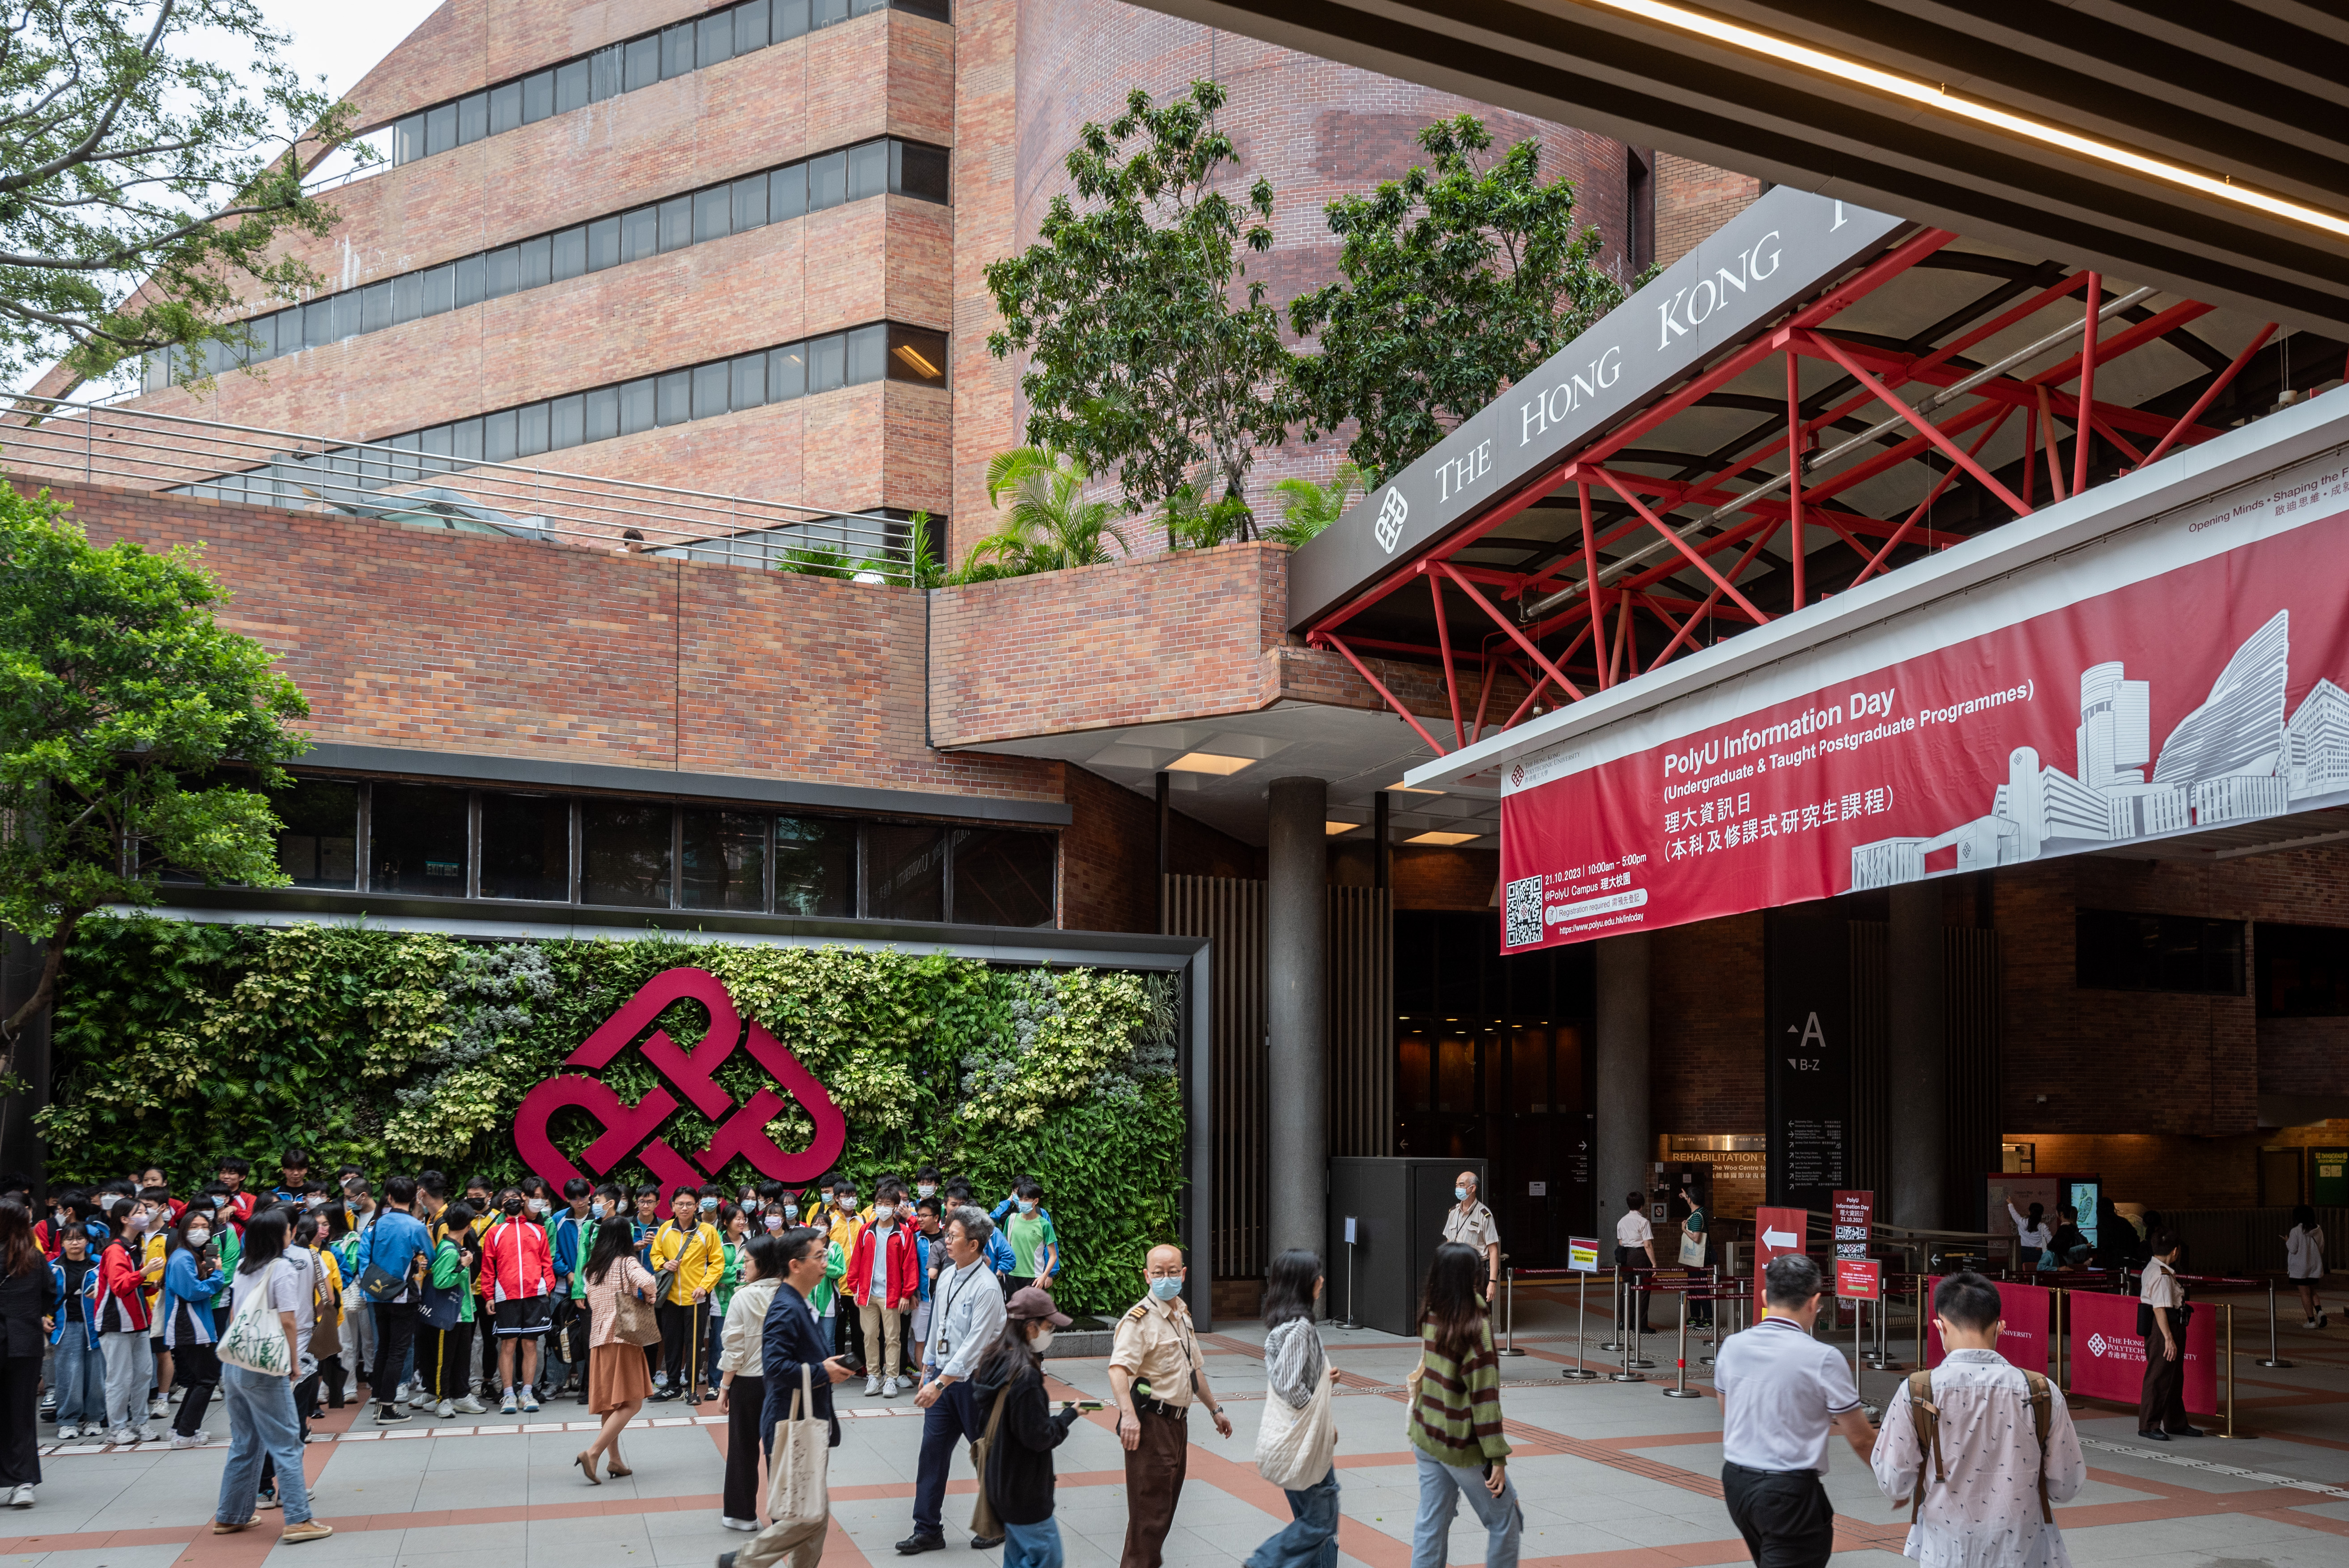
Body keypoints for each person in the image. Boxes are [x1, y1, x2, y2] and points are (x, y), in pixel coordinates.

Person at [1871, 1272, 2085, 1568]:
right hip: (2021, 1551)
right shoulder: (2042, 1391)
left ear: (1940, 1326)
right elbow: (2066, 1485)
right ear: (2000, 1327)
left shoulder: (1917, 1390)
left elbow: (1894, 1482)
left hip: (1945, 1551)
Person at [1712, 1254, 1874, 1568]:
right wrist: (1896, 1480)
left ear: (1764, 1297)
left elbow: (1728, 1411)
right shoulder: (1824, 1357)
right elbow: (1862, 1439)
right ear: (1815, 1302)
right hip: (1789, 1492)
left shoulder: (1732, 1346)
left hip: (1737, 1482)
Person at [717, 1224, 854, 1568]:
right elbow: (775, 1367)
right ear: (795, 1264)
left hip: (805, 1419)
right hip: (792, 1422)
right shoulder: (785, 1306)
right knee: (808, 1516)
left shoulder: (799, 1301)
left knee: (814, 1514)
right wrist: (823, 1371)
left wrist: (828, 1365)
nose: (826, 1263)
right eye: (819, 1256)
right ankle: (742, 1561)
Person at [210, 1209, 333, 1543]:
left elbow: (236, 1314)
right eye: (287, 1230)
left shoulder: (242, 1266)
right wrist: (294, 1363)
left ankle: (230, 1515)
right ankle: (298, 1519)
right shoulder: (282, 1267)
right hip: (266, 1365)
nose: (291, 1233)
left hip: (235, 1361)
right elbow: (289, 1321)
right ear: (280, 1235)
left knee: (245, 1441)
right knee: (287, 1441)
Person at [1107, 1243, 1232, 1568]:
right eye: (1159, 1273)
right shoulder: (1140, 1320)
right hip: (1151, 1425)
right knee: (1149, 1517)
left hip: (1178, 1423)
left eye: (1173, 1272)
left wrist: (1215, 1409)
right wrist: (1129, 1417)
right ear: (1147, 1276)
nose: (1166, 1278)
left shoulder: (1181, 1313)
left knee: (1162, 1513)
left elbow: (1194, 1369)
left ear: (1183, 1273)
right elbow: (1118, 1369)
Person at [900, 1207, 1012, 1556]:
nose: (946, 1240)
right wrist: (928, 1368)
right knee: (931, 1454)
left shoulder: (988, 1287)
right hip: (944, 1382)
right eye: (947, 1234)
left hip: (975, 1384)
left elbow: (974, 1346)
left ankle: (997, 1522)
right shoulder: (948, 1274)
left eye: (953, 1236)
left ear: (975, 1244)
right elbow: (938, 1324)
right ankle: (927, 1528)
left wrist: (941, 1382)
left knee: (985, 1453)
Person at [1406, 1241, 1516, 1568]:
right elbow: (1485, 1400)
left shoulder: (1431, 1312)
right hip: (1460, 1445)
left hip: (1426, 1433)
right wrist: (1496, 1457)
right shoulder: (1476, 1328)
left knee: (1431, 1522)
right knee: (1504, 1517)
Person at [1246, 1249, 1342, 1568]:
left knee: (1312, 1521)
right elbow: (1289, 1384)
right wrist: (1316, 1414)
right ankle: (1264, 1561)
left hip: (1293, 1442)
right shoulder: (1301, 1327)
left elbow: (1290, 1375)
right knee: (1322, 1522)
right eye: (1317, 1275)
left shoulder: (1282, 1326)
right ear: (1304, 1283)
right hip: (1306, 1442)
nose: (1322, 1281)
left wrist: (1324, 1377)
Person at [974, 1287, 1080, 1568]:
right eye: (1049, 1326)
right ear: (1031, 1328)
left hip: (1000, 1483)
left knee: (1019, 1558)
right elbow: (1038, 1437)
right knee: (1048, 1559)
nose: (1051, 1333)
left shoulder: (994, 1361)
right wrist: (1068, 1417)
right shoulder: (1026, 1377)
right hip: (1026, 1493)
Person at [578, 1205, 659, 1482]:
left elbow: (591, 1300)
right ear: (625, 1238)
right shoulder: (627, 1262)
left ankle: (615, 1460)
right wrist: (650, 1297)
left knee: (611, 1405)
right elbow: (648, 1280)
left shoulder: (592, 1268)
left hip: (598, 1338)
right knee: (633, 1403)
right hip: (624, 1336)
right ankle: (594, 1452)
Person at [716, 1233, 786, 1532]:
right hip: (782, 1381)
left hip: (746, 1382)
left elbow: (734, 1347)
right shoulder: (790, 1293)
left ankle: (741, 1514)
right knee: (780, 1449)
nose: (742, 1266)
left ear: (763, 1263)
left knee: (743, 1447)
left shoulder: (742, 1296)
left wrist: (724, 1387)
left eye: (746, 1261)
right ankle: (784, 1517)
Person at [356, 1175, 432, 1425]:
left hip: (377, 1293)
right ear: (413, 1198)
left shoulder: (375, 1225)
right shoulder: (416, 1227)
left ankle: (379, 1398)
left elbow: (364, 1257)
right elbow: (430, 1255)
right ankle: (387, 1408)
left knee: (384, 1348)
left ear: (388, 1197)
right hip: (402, 1294)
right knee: (398, 1351)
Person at [477, 1187, 555, 1413]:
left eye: (515, 1199)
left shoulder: (538, 1230)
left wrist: (547, 1286)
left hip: (535, 1295)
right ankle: (509, 1395)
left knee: (531, 1344)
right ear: (502, 1206)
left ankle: (528, 1392)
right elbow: (488, 1266)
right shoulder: (496, 1232)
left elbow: (546, 1262)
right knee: (508, 1345)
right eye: (507, 1200)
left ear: (523, 1201)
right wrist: (489, 1295)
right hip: (506, 1296)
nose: (512, 1202)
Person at [650, 1188, 725, 1404]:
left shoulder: (708, 1232)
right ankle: (673, 1387)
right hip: (671, 1297)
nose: (685, 1208)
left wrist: (705, 1287)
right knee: (672, 1342)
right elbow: (656, 1255)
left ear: (697, 1206)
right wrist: (664, 1264)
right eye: (680, 1204)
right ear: (672, 1206)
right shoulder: (664, 1229)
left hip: (696, 1298)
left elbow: (717, 1264)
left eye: (689, 1204)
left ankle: (692, 1389)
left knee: (694, 1343)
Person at [160, 1208, 226, 1448]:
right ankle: (185, 1433)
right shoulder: (182, 1258)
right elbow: (191, 1292)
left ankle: (181, 1428)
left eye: (205, 1227)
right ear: (183, 1230)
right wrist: (217, 1277)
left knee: (201, 1378)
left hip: (191, 1326)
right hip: (190, 1327)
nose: (200, 1231)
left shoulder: (190, 1256)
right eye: (194, 1227)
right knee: (208, 1378)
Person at [847, 1183, 919, 1398]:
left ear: (896, 1206)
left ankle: (891, 1378)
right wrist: (855, 1287)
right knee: (869, 1336)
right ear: (875, 1206)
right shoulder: (866, 1230)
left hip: (892, 1294)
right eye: (880, 1204)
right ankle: (874, 1376)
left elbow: (910, 1264)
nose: (883, 1208)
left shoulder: (904, 1233)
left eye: (888, 1204)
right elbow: (856, 1261)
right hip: (867, 1294)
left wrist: (907, 1293)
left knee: (893, 1338)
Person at [0, 1204, 50, 1507]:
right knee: (21, 1414)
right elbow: (50, 1293)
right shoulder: (35, 1258)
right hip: (26, 1342)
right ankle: (23, 1481)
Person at [96, 1198, 157, 1443]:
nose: (146, 1215)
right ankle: (117, 1428)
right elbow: (120, 1286)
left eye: (145, 1211)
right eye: (140, 1212)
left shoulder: (132, 1247)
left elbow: (132, 1286)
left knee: (143, 1374)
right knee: (120, 1378)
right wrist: (144, 1273)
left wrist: (150, 1284)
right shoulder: (115, 1250)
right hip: (115, 1323)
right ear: (124, 1219)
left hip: (138, 1321)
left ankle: (140, 1423)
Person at [420, 1203, 484, 1419]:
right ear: (468, 1226)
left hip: (462, 1312)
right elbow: (441, 1281)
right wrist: (463, 1266)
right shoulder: (449, 1251)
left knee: (460, 1358)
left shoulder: (455, 1246)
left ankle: (461, 1395)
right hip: (448, 1316)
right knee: (444, 1360)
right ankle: (443, 1399)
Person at [2136, 1231, 2198, 1441]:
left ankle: (2176, 1423)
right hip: (2164, 1328)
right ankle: (2148, 1424)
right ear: (2175, 1251)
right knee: (2159, 1376)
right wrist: (2169, 1339)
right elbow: (2160, 1309)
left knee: (2173, 1376)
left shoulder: (2154, 1268)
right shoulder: (2162, 1275)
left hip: (2168, 1326)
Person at [47, 1227, 105, 1441]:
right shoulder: (52, 1268)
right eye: (69, 1239)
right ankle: (67, 1421)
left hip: (96, 1327)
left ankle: (94, 1418)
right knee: (69, 1376)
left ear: (87, 1241)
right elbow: (42, 1296)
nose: (75, 1243)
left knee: (97, 1376)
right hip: (66, 1327)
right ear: (62, 1243)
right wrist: (44, 1316)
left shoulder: (100, 1264)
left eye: (79, 1238)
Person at [548, 1177, 594, 1398]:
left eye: (583, 1197)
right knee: (560, 1335)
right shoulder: (557, 1219)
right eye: (574, 1199)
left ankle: (588, 1384)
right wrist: (568, 1273)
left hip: (591, 1290)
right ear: (567, 1199)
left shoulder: (599, 1219)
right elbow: (551, 1252)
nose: (580, 1202)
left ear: (590, 1195)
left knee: (589, 1337)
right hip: (562, 1290)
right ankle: (555, 1383)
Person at [1442, 1173, 1502, 1305]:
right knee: (1454, 1311)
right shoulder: (1453, 1213)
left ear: (1473, 1188)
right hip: (1454, 1271)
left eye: (1462, 1185)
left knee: (1474, 1314)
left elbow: (1493, 1251)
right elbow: (1448, 1244)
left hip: (1475, 1272)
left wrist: (1492, 1283)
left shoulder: (1484, 1215)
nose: (1458, 1188)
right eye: (1457, 1185)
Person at [1000, 1180, 1061, 1296]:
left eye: (1026, 1199)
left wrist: (1045, 1276)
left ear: (1036, 1201)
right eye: (1021, 1198)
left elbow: (1053, 1255)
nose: (1022, 1202)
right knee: (1011, 1313)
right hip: (1010, 1277)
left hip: (1034, 1279)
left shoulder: (1044, 1224)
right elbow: (1004, 1247)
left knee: (1032, 1314)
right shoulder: (1011, 1220)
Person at [1614, 1191, 1657, 1334]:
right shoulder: (1644, 1222)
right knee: (1644, 1290)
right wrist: (1654, 1264)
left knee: (1626, 1290)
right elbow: (1648, 1245)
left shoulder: (1622, 1221)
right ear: (1642, 1205)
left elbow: (1621, 1242)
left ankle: (1624, 1322)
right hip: (1641, 1257)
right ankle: (1641, 1324)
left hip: (1627, 1258)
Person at [2285, 1205, 2326, 1330]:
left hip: (2300, 1268)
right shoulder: (2318, 1230)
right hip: (2314, 1266)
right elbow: (2321, 1249)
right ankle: (2320, 1312)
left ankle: (2311, 1321)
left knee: (2304, 1293)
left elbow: (2293, 1248)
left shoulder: (2296, 1231)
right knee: (2312, 1290)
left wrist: (2287, 1240)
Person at [1678, 1189, 1713, 1328]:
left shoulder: (1697, 1217)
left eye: (1688, 1198)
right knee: (1693, 1287)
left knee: (1700, 1287)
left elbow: (1697, 1238)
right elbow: (1693, 1203)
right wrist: (1686, 1196)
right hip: (1695, 1259)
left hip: (1698, 1259)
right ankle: (1695, 1316)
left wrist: (1684, 1229)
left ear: (1691, 1200)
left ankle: (1708, 1318)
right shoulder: (1703, 1211)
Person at [2006, 1201, 2051, 1273]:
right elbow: (2050, 1241)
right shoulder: (2043, 1226)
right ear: (2042, 1214)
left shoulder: (2022, 1222)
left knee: (2025, 1272)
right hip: (2038, 1252)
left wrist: (2010, 1203)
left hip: (2023, 1251)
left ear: (2030, 1213)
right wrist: (2043, 1247)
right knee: (2037, 1272)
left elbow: (2014, 1214)